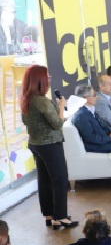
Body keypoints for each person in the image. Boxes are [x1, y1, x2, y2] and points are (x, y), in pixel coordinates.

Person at [20, 65, 78, 230]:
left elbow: (26, 122)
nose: (50, 78)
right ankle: (61, 217)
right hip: (50, 144)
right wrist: (61, 106)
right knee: (60, 179)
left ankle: (49, 215)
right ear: (40, 80)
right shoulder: (42, 101)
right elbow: (57, 124)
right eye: (47, 76)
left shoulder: (26, 99)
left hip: (35, 144)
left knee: (44, 180)